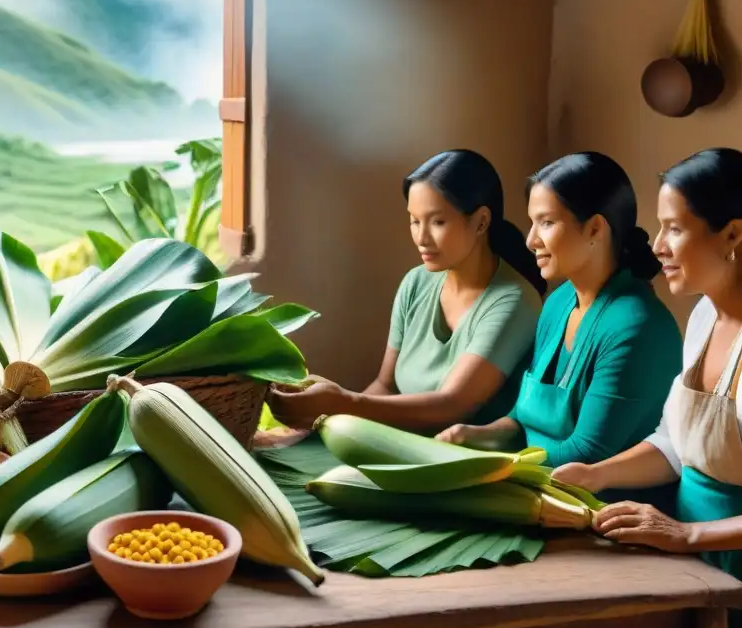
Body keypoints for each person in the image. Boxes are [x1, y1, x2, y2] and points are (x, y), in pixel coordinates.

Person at [436, 152, 682, 506]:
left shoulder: (636, 326)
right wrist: (474, 436)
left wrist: (484, 465)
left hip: (609, 517)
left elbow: (585, 454)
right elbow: (524, 415)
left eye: (546, 223)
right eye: (532, 223)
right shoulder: (558, 302)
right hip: (538, 492)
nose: (530, 240)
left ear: (595, 228)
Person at [553, 148, 742, 586]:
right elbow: (677, 443)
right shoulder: (703, 318)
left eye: (674, 229)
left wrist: (688, 532)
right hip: (695, 565)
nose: (657, 245)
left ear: (732, 234)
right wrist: (595, 475)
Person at [267, 149, 545, 433]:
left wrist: (341, 402)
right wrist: (308, 425)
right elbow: (386, 386)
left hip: (466, 458)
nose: (422, 238)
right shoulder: (416, 283)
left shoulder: (513, 301)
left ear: (481, 222)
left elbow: (452, 406)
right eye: (415, 220)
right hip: (399, 441)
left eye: (437, 222)